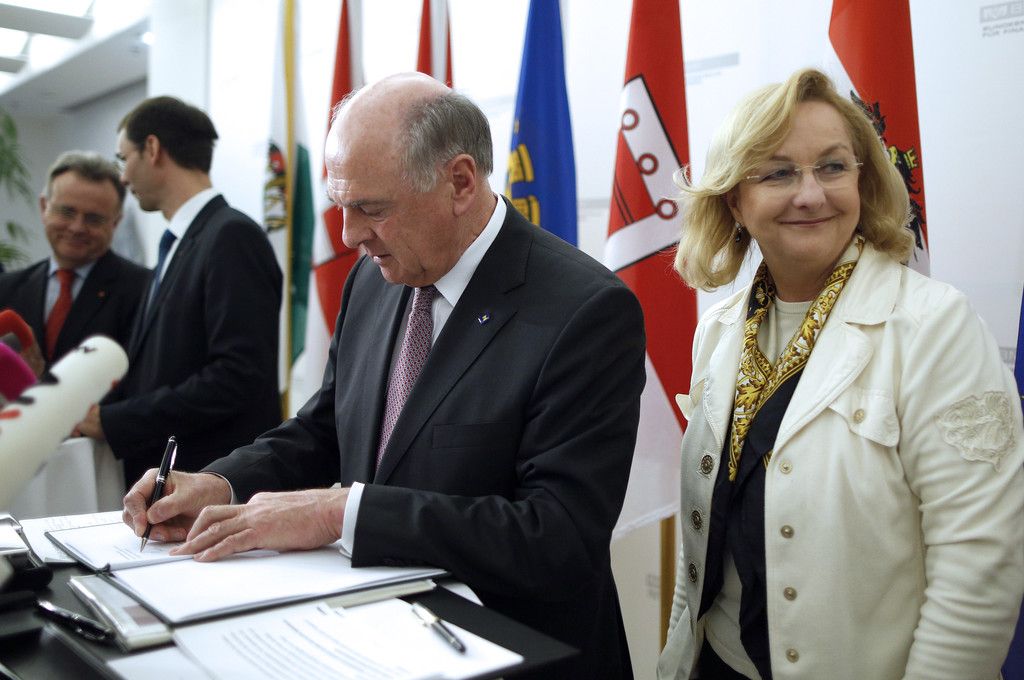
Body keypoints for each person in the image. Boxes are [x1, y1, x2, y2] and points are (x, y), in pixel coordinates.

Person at [122, 73, 646, 679]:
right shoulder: (375, 276)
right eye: (341, 207)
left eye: (371, 209)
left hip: (514, 655)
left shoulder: (584, 311)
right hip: (376, 641)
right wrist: (220, 483)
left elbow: (556, 537)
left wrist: (339, 513)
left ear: (460, 182)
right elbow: (325, 428)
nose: (349, 236)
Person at [657, 67, 1024, 680]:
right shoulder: (718, 330)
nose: (811, 194)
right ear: (735, 201)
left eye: (832, 167)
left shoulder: (935, 328)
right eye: (778, 173)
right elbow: (702, 541)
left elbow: (979, 568)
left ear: (863, 180)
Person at [76, 96, 283, 488]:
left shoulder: (231, 236)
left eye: (123, 159)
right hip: (176, 481)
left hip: (213, 482)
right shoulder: (182, 241)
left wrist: (119, 420)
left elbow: (237, 376)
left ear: (153, 149)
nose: (123, 178)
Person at [0, 151, 148, 370]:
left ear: (115, 223)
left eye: (93, 218)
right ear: (44, 207)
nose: (77, 227)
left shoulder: (144, 291)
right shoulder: (6, 289)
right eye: (67, 212)